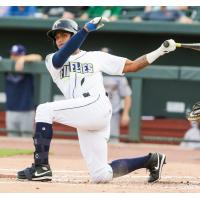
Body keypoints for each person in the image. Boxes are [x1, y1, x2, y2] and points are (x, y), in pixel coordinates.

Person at [17, 17, 176, 183]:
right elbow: (60, 59)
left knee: (44, 109)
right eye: (56, 37)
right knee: (100, 175)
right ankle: (150, 160)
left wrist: (160, 51)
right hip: (84, 114)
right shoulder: (51, 59)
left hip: (96, 105)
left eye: (64, 35)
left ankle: (40, 167)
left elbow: (133, 66)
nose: (59, 40)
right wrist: (85, 30)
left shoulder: (96, 57)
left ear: (73, 35)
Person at [5, 44, 42, 137]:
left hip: (26, 111)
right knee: (12, 141)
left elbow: (38, 57)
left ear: (23, 54)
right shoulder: (7, 65)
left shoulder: (29, 64)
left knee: (27, 140)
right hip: (10, 110)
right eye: (12, 54)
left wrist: (23, 59)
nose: (13, 57)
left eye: (16, 55)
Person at [101, 47, 132, 143]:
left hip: (113, 114)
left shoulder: (118, 73)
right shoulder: (93, 72)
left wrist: (126, 114)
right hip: (96, 112)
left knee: (113, 142)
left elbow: (127, 96)